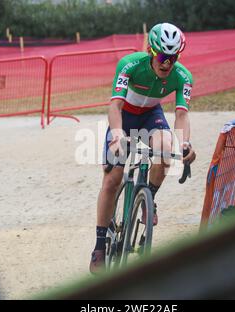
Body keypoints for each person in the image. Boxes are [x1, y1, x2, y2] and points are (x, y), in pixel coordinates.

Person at [89, 23, 197, 274]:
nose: (167, 63)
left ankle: (148, 197)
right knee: (112, 178)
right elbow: (115, 105)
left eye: (173, 58)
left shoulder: (183, 77)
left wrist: (186, 144)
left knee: (165, 151)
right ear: (151, 51)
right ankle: (99, 244)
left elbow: (182, 115)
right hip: (124, 116)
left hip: (151, 116)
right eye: (162, 56)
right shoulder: (130, 64)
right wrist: (116, 134)